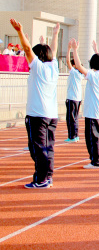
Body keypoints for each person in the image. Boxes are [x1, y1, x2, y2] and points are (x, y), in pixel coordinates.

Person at [11, 19, 59, 188]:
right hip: (51, 115)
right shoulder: (54, 67)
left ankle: (41, 178)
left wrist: (20, 31)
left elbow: (26, 49)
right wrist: (54, 35)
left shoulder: (38, 67)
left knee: (38, 148)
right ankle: (48, 176)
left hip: (38, 115)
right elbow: (53, 50)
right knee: (48, 147)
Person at [70, 38, 99, 170]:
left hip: (93, 111)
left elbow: (79, 66)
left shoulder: (94, 75)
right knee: (98, 136)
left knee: (93, 137)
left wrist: (75, 49)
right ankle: (98, 159)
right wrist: (96, 51)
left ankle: (96, 161)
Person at [65, 38, 82, 143]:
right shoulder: (80, 73)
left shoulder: (75, 72)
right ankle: (75, 135)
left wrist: (69, 49)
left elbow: (67, 61)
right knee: (74, 117)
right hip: (77, 98)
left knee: (71, 118)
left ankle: (72, 136)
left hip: (72, 98)